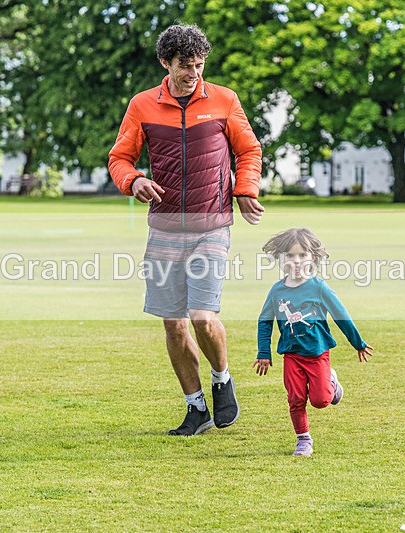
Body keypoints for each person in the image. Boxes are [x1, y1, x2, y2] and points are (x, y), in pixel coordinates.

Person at [108, 24, 265, 436]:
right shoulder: (142, 105)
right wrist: (133, 180)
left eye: (199, 65)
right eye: (185, 66)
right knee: (172, 321)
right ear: (166, 62)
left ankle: (222, 378)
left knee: (201, 315)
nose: (194, 73)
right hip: (163, 228)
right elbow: (119, 158)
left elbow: (248, 150)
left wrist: (245, 188)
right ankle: (195, 408)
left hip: (211, 223)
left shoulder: (224, 100)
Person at [253, 228, 374, 456]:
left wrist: (358, 342)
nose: (296, 261)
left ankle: (332, 383)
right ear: (280, 257)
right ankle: (303, 439)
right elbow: (265, 321)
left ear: (313, 258)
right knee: (295, 398)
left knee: (320, 401)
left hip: (317, 353)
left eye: (302, 255)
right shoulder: (277, 291)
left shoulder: (318, 287)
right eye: (289, 255)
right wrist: (263, 352)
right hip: (291, 354)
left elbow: (340, 314)